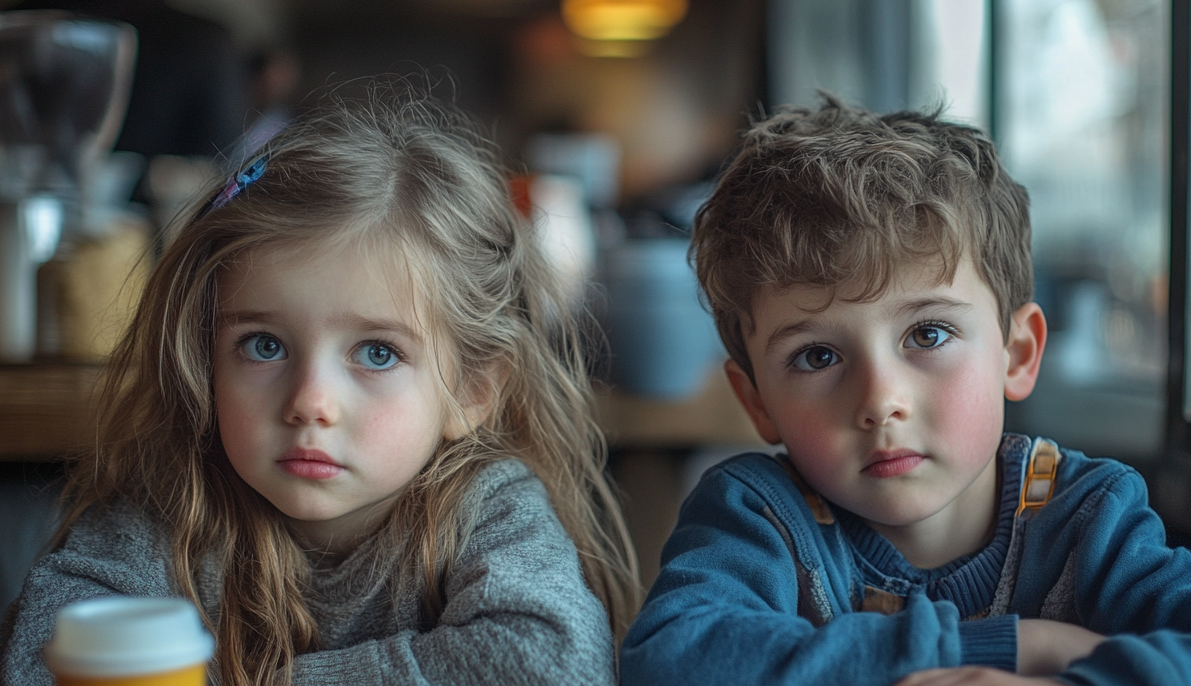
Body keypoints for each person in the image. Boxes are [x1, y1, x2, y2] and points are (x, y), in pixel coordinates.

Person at [0, 82, 640, 686]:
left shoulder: (485, 511)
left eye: (378, 353)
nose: (310, 402)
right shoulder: (170, 506)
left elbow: (553, 663)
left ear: (471, 389)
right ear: (205, 360)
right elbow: (38, 659)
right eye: (264, 345)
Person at [619, 94, 1191, 686]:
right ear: (758, 401)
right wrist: (1009, 646)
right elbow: (670, 660)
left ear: (1016, 353)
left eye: (928, 333)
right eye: (817, 356)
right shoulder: (759, 517)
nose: (879, 401)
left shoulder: (1091, 517)